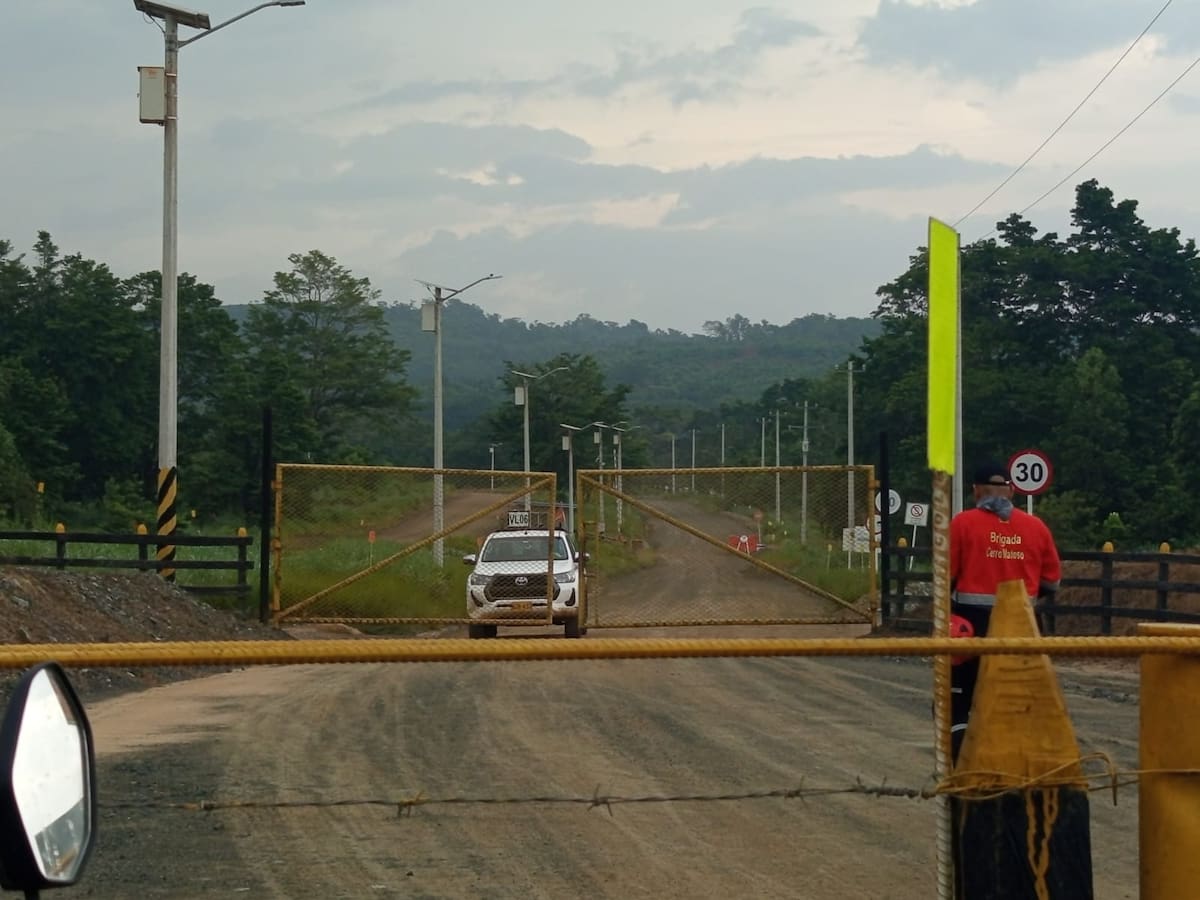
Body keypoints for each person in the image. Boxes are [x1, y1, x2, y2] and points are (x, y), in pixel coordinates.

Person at [948, 460, 1061, 762]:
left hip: (970, 626)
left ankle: (959, 751)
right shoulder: (1036, 527)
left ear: (976, 491)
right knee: (1023, 692)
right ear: (1011, 491)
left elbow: (945, 576)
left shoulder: (962, 523)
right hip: (1023, 626)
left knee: (959, 693)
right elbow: (1052, 582)